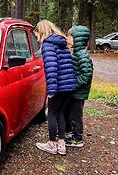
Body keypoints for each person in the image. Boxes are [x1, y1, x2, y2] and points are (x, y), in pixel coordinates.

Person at [33, 20, 77, 155]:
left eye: (36, 35)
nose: (36, 38)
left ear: (41, 31)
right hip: (69, 85)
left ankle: (52, 144)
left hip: (58, 86)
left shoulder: (48, 45)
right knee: (61, 113)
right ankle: (61, 145)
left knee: (52, 114)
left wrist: (51, 90)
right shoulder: (61, 42)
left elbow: (52, 69)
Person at [65, 25, 93, 147]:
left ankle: (78, 139)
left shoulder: (82, 55)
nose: (67, 39)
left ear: (78, 39)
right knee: (71, 113)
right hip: (75, 91)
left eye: (70, 37)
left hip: (78, 93)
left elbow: (87, 75)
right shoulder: (77, 53)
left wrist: (74, 84)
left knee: (76, 116)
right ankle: (72, 133)